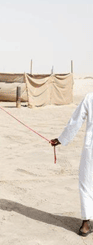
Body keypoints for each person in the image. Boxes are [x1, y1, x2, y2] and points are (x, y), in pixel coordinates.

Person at [51, 92, 93, 237]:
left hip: (91, 149)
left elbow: (76, 121)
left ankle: (86, 224)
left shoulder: (90, 97)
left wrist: (61, 139)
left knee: (86, 184)